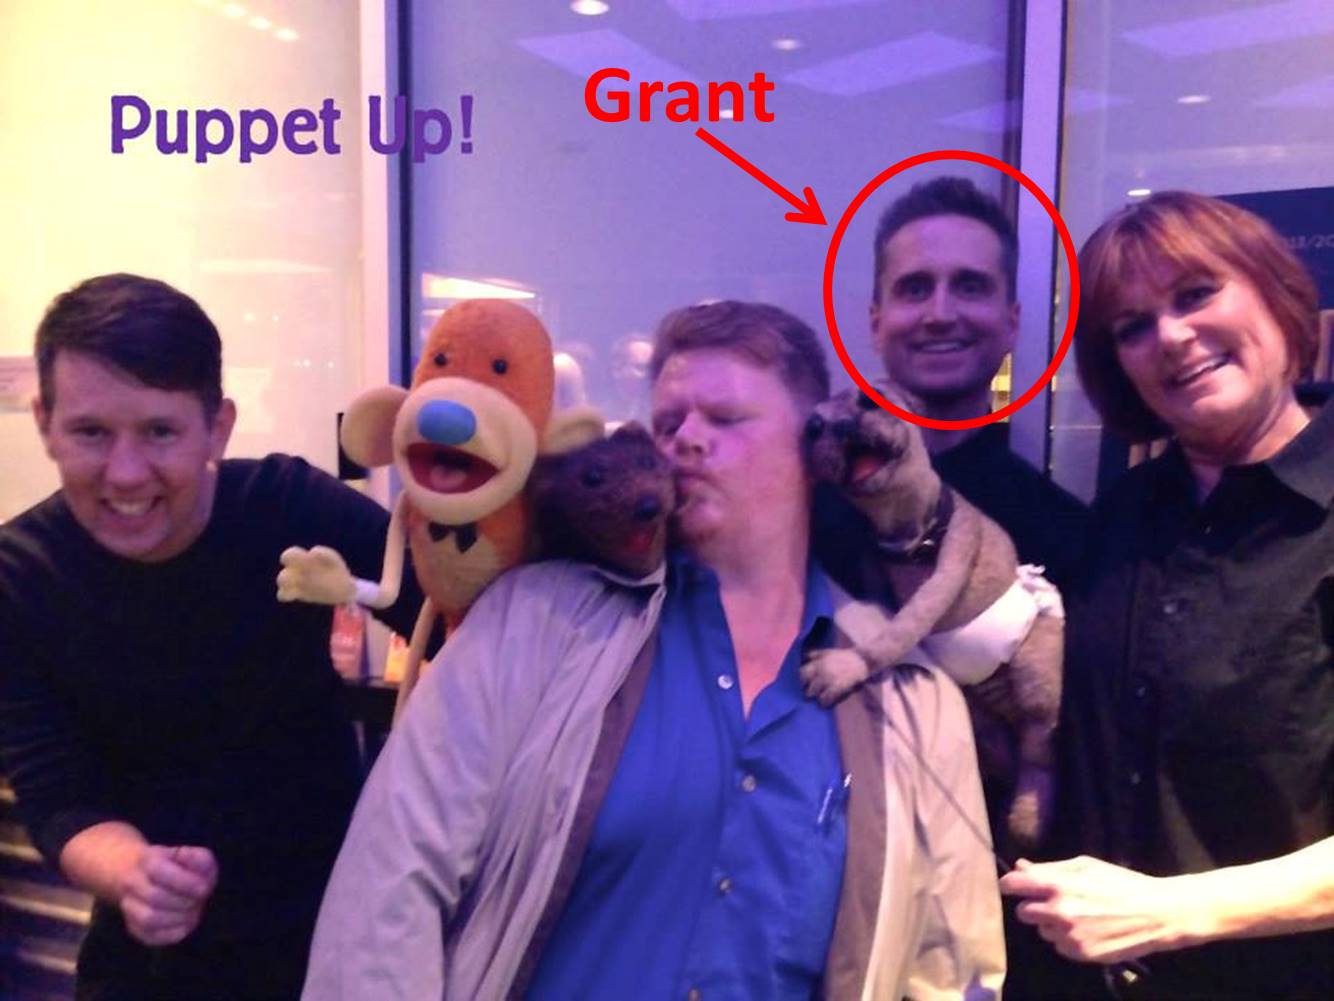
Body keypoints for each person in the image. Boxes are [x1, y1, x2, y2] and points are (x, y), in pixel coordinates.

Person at [302, 300, 1004, 999]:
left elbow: (953, 973)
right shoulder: (535, 623)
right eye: (669, 423)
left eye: (724, 418)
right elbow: (389, 885)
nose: (686, 440)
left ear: (813, 448)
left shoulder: (911, 702)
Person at [0, 274, 423, 1000]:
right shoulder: (20, 576)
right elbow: (57, 792)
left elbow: (451, 616)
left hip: (341, 942)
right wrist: (133, 871)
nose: (125, 473)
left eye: (160, 431)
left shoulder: (288, 506)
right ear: (45, 423)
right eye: (91, 432)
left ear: (217, 428)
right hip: (149, 965)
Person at [1000, 191, 1334, 999]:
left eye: (1196, 294)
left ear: (1275, 292)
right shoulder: (1119, 515)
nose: (1172, 337)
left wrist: (1172, 910)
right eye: (1133, 326)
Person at [864, 175, 1087, 592]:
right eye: (915, 288)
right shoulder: (804, 512)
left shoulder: (1067, 537)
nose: (940, 314)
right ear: (877, 324)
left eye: (969, 287)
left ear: (1011, 323)